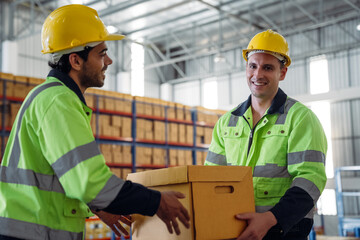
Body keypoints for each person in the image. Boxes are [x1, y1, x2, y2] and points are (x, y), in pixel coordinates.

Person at [0, 4, 190, 240]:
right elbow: (90, 181)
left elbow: (65, 175)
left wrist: (98, 206)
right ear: (76, 61)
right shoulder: (59, 101)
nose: (109, 61)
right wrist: (157, 201)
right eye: (101, 54)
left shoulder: (50, 96)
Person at [205, 29, 327, 240]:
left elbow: (310, 180)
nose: (258, 74)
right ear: (246, 68)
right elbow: (209, 180)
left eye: (268, 67)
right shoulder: (227, 122)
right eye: (253, 66)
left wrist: (271, 218)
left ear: (283, 72)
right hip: (236, 227)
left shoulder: (300, 118)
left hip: (285, 229)